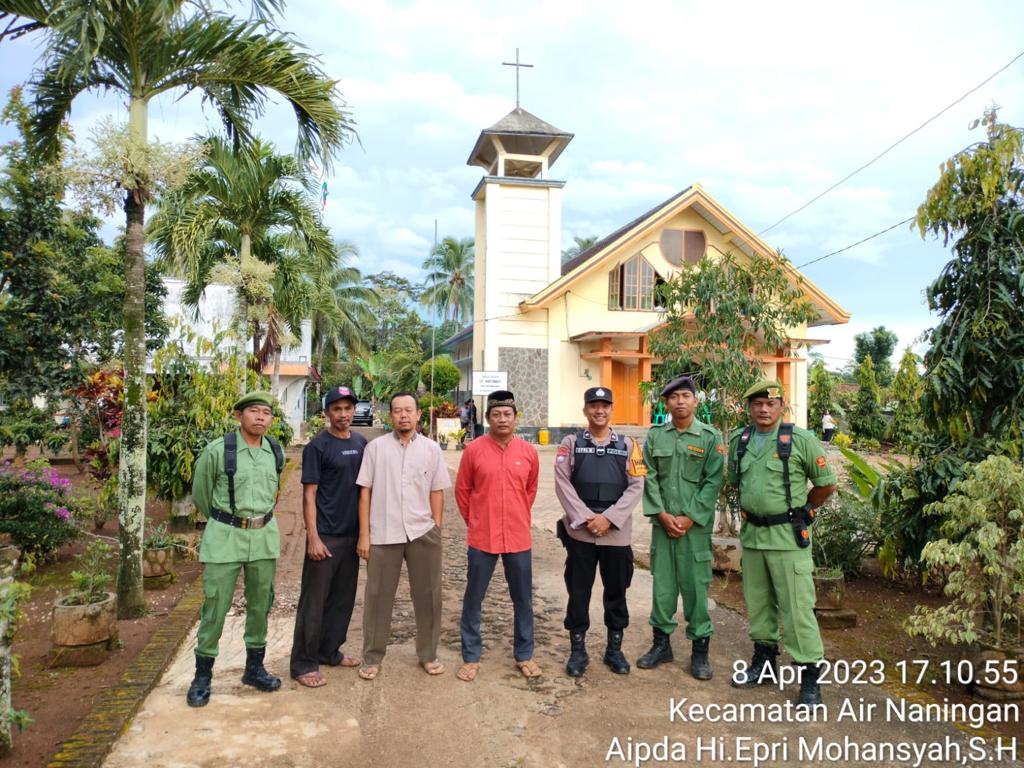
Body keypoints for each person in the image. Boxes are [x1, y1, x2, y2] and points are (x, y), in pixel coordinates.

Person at [728, 379, 837, 707]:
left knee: (797, 608)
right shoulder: (740, 440)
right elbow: (736, 481)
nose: (763, 409)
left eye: (770, 403)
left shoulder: (800, 439)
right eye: (757, 403)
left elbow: (826, 485)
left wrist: (806, 510)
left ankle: (809, 679)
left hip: (788, 538)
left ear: (781, 407)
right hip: (754, 538)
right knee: (758, 605)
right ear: (749, 407)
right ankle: (763, 663)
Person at [186, 391, 286, 707]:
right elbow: (201, 495)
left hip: (263, 536)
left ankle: (254, 669)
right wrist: (225, 519)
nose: (260, 417)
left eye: (266, 413)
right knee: (215, 605)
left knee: (260, 603)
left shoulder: (274, 451)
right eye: (253, 411)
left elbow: (274, 491)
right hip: (225, 536)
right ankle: (203, 675)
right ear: (239, 416)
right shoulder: (218, 451)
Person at [356, 392, 452, 680]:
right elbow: (365, 492)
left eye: (408, 410)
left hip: (423, 532)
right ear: (390, 416)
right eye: (397, 411)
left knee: (429, 595)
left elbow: (437, 490)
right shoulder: (375, 449)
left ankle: (428, 653)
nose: (403, 415)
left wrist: (436, 526)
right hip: (384, 533)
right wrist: (364, 535)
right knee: (377, 597)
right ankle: (372, 656)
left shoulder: (432, 450)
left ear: (419, 414)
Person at [637, 376, 724, 680]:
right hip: (662, 526)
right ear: (665, 403)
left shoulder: (710, 438)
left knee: (696, 588)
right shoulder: (657, 436)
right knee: (662, 586)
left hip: (694, 530)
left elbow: (713, 481)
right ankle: (662, 645)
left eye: (686, 396)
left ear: (696, 401)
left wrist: (689, 517)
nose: (680, 402)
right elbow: (647, 476)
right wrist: (661, 514)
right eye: (673, 398)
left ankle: (700, 652)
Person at [553, 386, 644, 677]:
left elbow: (637, 485)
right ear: (585, 410)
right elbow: (562, 483)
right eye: (593, 405)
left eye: (605, 405)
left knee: (617, 592)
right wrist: (586, 517)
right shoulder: (571, 442)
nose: (599, 410)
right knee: (578, 592)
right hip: (581, 532)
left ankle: (614, 649)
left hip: (615, 534)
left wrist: (609, 519)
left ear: (611, 409)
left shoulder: (629, 445)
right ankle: (577, 650)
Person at [455, 390, 541, 682]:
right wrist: (476, 520)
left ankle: (525, 654)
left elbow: (529, 490)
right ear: (488, 418)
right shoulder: (474, 450)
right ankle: (470, 655)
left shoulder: (528, 453)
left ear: (516, 418)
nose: (502, 419)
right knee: (473, 598)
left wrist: (517, 515)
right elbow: (463, 491)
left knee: (523, 599)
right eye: (496, 414)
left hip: (518, 537)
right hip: (483, 537)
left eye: (507, 414)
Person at [289, 385, 367, 688]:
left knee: (342, 600)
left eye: (348, 409)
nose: (344, 414)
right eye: (337, 409)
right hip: (326, 537)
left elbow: (365, 492)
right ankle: (303, 663)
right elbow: (309, 495)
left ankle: (329, 651)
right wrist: (313, 537)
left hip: (352, 535)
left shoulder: (361, 443)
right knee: (314, 602)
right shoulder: (317, 447)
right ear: (327, 413)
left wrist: (365, 534)